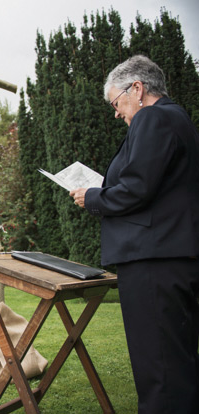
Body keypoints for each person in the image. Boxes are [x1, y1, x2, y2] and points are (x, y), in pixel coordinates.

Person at [70, 55, 199, 413]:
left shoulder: (153, 117)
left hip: (152, 259)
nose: (116, 112)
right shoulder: (179, 118)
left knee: (157, 365)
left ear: (137, 89)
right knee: (177, 359)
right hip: (172, 257)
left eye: (116, 102)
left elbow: (137, 187)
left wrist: (93, 196)